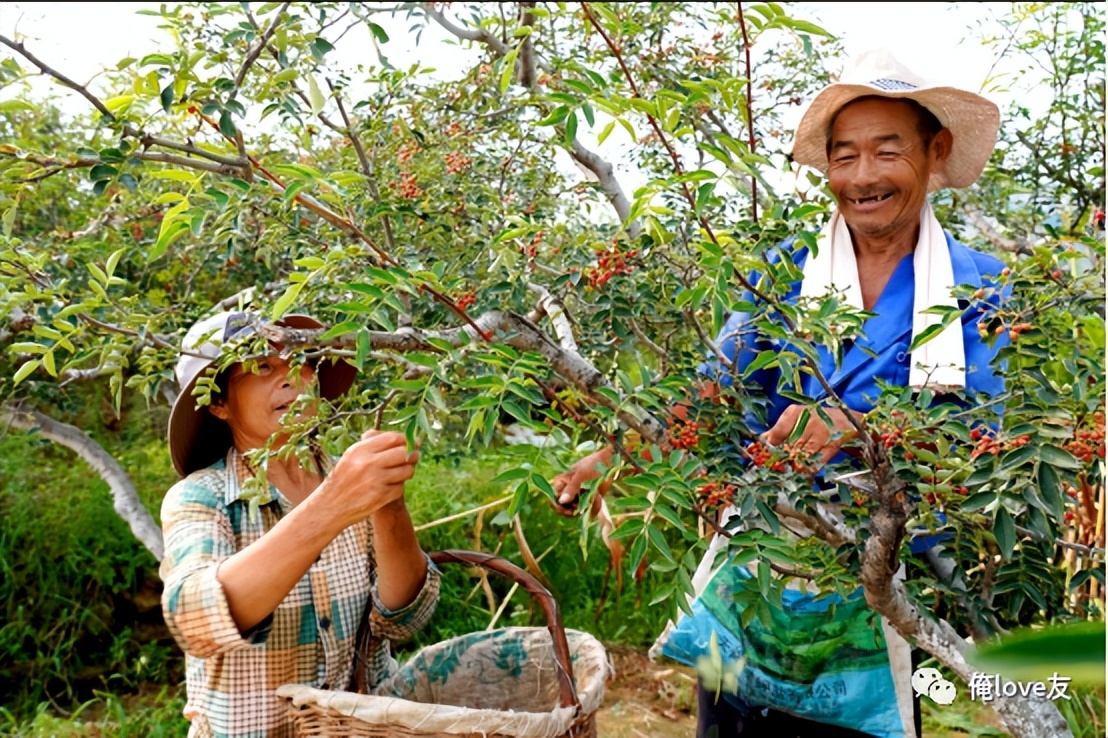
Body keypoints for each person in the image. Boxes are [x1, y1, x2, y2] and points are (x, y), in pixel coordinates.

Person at [552, 49, 1009, 738]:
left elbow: (984, 442)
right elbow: (714, 389)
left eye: (888, 152)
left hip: (882, 580)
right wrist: (616, 458)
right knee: (735, 719)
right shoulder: (787, 269)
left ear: (935, 150)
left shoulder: (980, 289)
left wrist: (856, 427)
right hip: (763, 562)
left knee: (861, 720)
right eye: (845, 156)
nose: (863, 176)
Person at [159, 310, 440, 738]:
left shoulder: (350, 475)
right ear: (218, 404)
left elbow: (403, 620)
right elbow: (195, 620)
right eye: (262, 367)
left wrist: (387, 503)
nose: (291, 377)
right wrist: (334, 504)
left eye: (300, 360)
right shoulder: (202, 497)